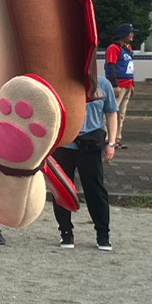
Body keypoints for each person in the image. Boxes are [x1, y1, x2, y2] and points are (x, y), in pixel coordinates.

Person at [51, 75, 120, 250]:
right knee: (61, 189)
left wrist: (111, 143)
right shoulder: (62, 81)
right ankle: (66, 232)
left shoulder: (102, 84)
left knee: (95, 190)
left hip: (90, 144)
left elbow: (111, 112)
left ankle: (103, 234)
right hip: (64, 144)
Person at [104, 23, 137, 146]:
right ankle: (107, 137)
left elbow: (130, 68)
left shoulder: (128, 49)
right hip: (119, 84)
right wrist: (115, 84)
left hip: (127, 85)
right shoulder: (114, 48)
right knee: (112, 111)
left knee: (121, 113)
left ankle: (117, 137)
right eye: (130, 33)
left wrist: (132, 84)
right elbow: (111, 66)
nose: (132, 35)